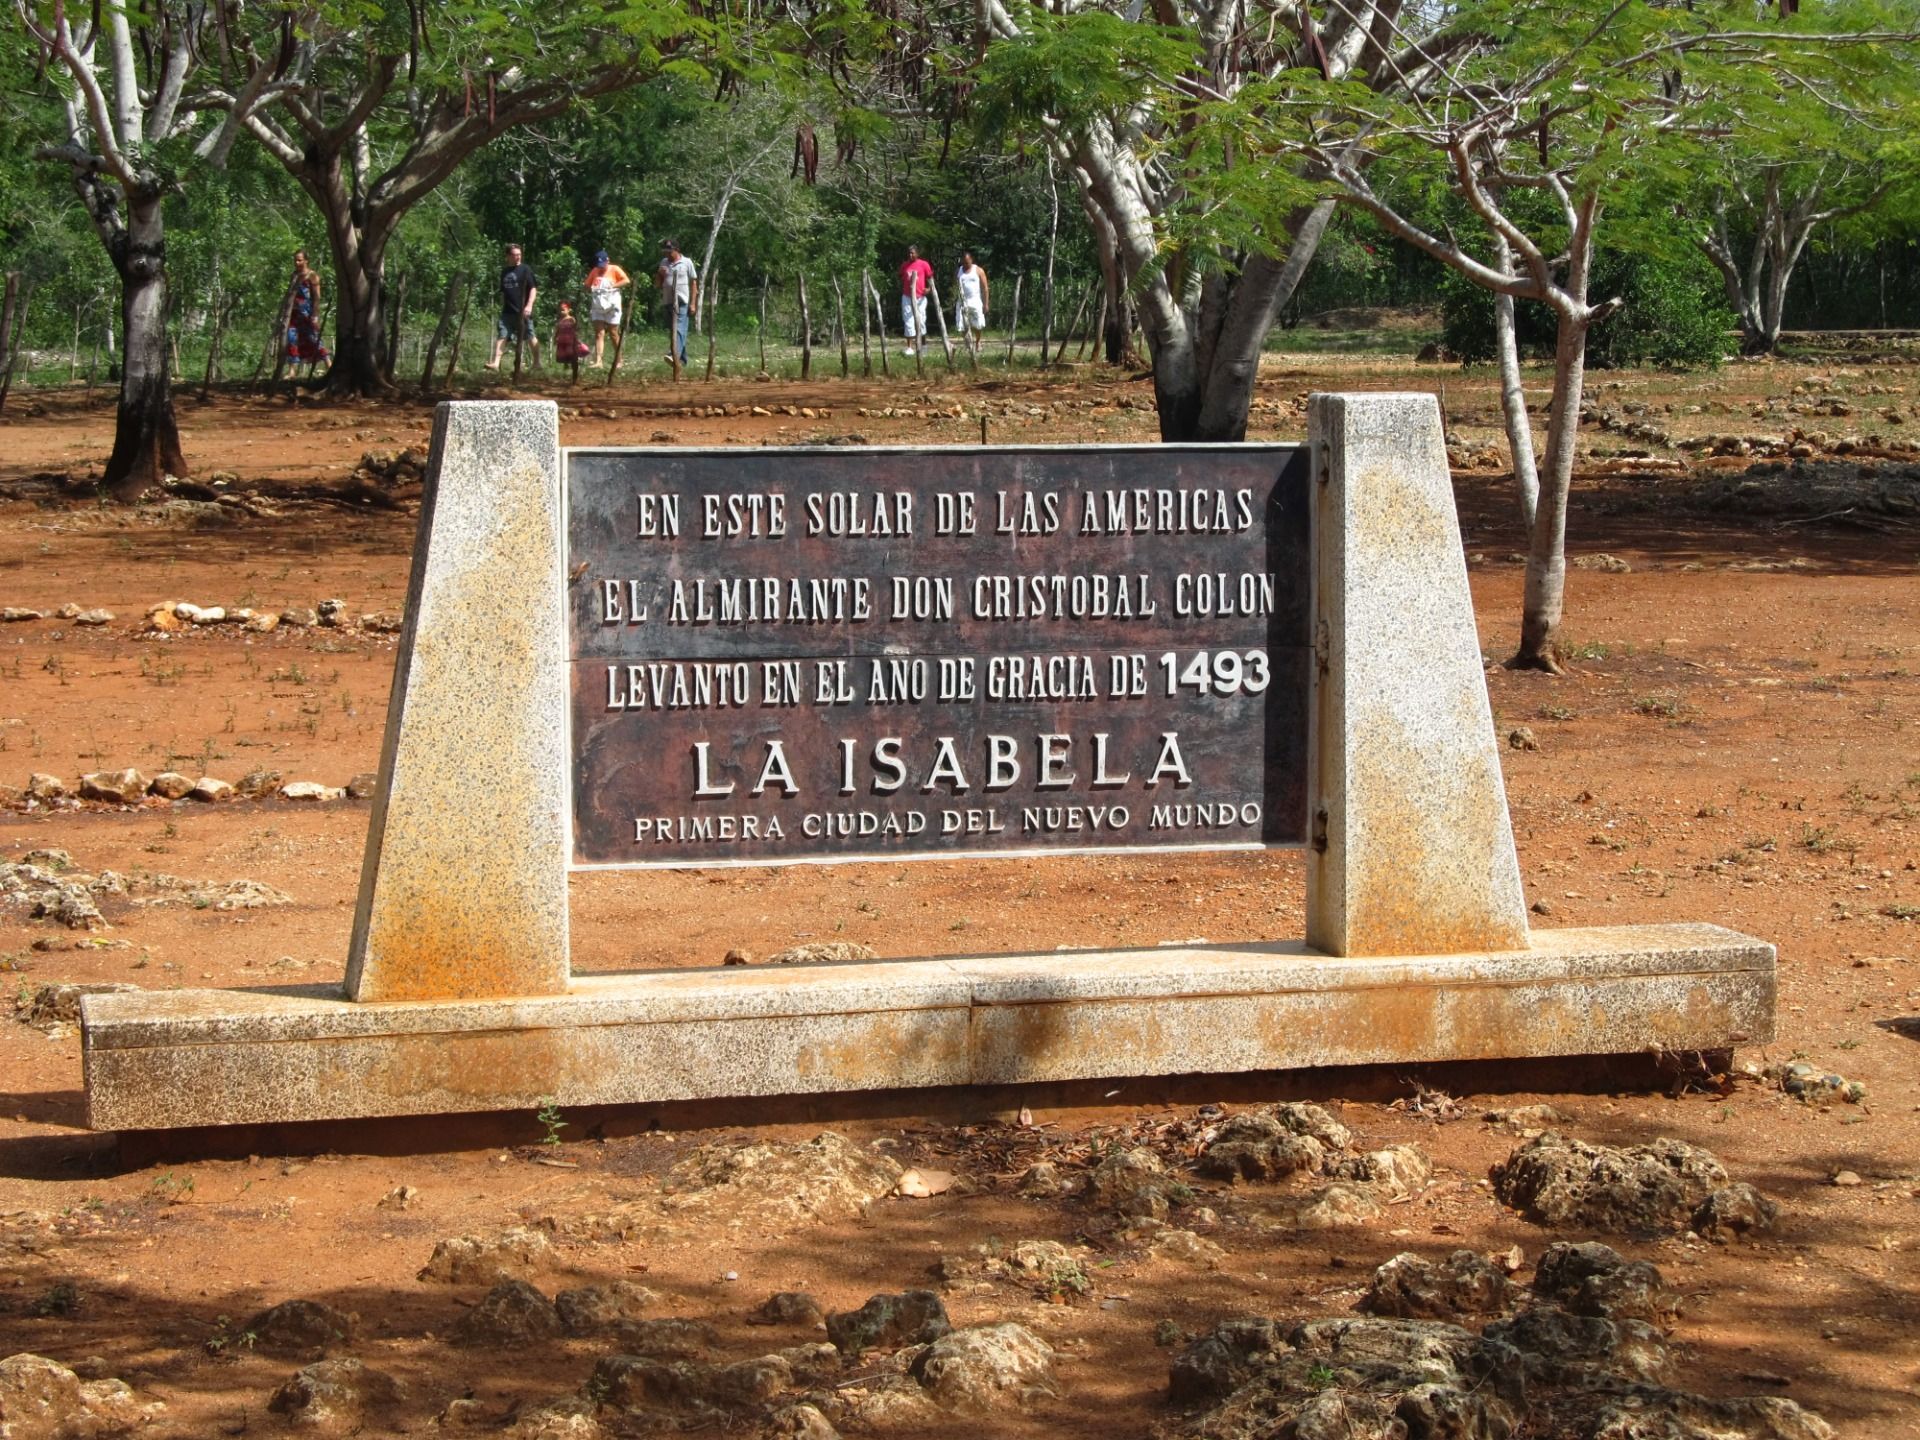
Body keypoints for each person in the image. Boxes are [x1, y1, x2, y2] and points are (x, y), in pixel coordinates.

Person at [486, 243, 538, 370]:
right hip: (507, 311)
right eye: (515, 255)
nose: (518, 257)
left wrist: (529, 306)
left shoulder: (526, 269)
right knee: (502, 334)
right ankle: (496, 363)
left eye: (519, 255)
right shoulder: (504, 272)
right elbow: (503, 292)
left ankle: (537, 363)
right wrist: (502, 306)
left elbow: (533, 289)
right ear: (508, 256)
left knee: (530, 335)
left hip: (523, 310)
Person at [656, 239, 699, 369]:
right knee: (674, 331)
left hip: (682, 301)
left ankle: (673, 354)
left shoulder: (687, 262)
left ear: (677, 250)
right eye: (665, 252)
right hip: (668, 301)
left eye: (670, 252)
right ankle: (683, 360)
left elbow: (693, 284)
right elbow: (657, 284)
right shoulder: (663, 263)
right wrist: (660, 274)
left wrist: (693, 303)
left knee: (679, 328)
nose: (667, 254)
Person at [584, 249, 630, 366]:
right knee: (599, 333)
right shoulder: (595, 271)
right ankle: (598, 361)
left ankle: (619, 359)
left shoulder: (615, 269)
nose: (601, 267)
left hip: (612, 303)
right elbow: (587, 285)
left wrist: (612, 286)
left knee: (613, 332)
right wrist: (593, 288)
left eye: (603, 264)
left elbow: (626, 280)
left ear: (607, 260)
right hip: (598, 304)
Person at [285, 251, 329, 370]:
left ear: (306, 261)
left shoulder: (312, 275)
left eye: (299, 260)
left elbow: (316, 297)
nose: (297, 263)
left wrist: (315, 315)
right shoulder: (294, 275)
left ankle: (328, 364)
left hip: (307, 313)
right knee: (291, 338)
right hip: (293, 313)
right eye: (295, 260)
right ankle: (292, 370)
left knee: (314, 337)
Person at [898, 244, 933, 356]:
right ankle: (909, 347)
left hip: (920, 297)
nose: (910, 255)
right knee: (908, 321)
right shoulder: (904, 265)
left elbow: (930, 278)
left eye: (913, 253)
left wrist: (929, 289)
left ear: (917, 253)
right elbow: (900, 277)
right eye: (909, 253)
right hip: (907, 297)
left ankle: (923, 346)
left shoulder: (924, 264)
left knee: (921, 321)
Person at [954, 251, 989, 350]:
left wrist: (986, 304)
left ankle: (978, 342)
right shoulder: (958, 271)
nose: (965, 264)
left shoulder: (978, 270)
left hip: (975, 300)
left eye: (967, 262)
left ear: (971, 260)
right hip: (962, 301)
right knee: (962, 324)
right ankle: (968, 343)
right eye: (963, 262)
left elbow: (985, 288)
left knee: (977, 324)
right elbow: (955, 285)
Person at [553, 302, 591, 376]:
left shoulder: (571, 319)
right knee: (563, 355)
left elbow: (576, 329)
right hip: (562, 341)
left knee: (571, 354)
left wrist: (577, 338)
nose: (561, 311)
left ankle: (574, 369)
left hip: (570, 341)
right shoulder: (560, 320)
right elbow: (557, 330)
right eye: (560, 310)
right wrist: (555, 338)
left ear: (569, 310)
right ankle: (566, 368)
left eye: (563, 310)